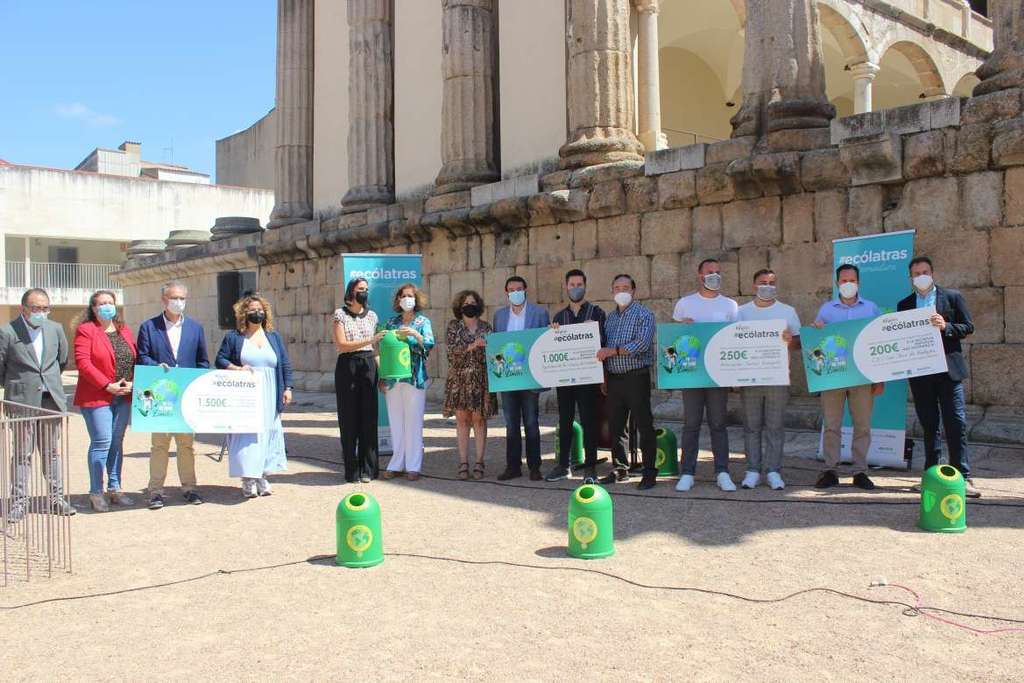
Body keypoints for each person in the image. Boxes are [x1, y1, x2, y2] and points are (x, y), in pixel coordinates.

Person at [897, 256, 979, 498]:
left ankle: (962, 476)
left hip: (948, 371)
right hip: (921, 374)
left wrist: (947, 326)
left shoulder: (952, 297)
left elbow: (968, 326)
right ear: (911, 278)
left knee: (956, 422)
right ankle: (932, 475)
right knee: (929, 425)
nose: (921, 276)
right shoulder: (905, 304)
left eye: (925, 271)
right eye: (916, 273)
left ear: (932, 273)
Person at [0, 288, 75, 520]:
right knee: (22, 453)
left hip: (50, 399)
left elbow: (61, 360)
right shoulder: (8, 331)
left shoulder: (55, 329)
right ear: (24, 308)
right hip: (23, 402)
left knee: (51, 453)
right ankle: (20, 501)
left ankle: (56, 498)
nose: (41, 313)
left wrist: (47, 382)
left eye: (45, 308)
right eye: (36, 308)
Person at [135, 281, 210, 510]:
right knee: (160, 445)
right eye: (173, 298)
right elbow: (142, 356)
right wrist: (157, 366)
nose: (178, 302)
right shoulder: (149, 327)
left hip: (186, 396)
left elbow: (203, 361)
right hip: (161, 395)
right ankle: (156, 491)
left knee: (186, 445)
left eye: (182, 298)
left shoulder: (195, 328)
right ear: (163, 300)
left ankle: (189, 488)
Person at [215, 294, 293, 498]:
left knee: (268, 432)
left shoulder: (273, 337)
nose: (257, 313)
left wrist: (288, 388)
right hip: (246, 394)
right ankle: (248, 477)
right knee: (248, 435)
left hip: (270, 391)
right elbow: (220, 359)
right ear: (244, 314)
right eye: (252, 310)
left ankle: (262, 475)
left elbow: (284, 364)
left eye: (260, 309)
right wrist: (236, 368)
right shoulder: (235, 337)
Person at [813, 264, 883, 490]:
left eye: (851, 280)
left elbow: (878, 345)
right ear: (837, 283)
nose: (848, 284)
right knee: (831, 425)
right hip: (833, 378)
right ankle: (830, 470)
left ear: (859, 283)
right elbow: (817, 344)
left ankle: (860, 471)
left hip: (862, 377)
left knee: (862, 425)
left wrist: (879, 378)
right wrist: (816, 330)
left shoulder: (871, 309)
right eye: (843, 281)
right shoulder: (826, 310)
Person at [672, 258, 739, 492]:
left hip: (717, 375)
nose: (714, 275)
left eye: (718, 272)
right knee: (691, 423)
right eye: (710, 272)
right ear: (700, 276)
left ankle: (722, 471)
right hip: (691, 374)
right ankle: (687, 472)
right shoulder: (684, 304)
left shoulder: (731, 306)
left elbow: (734, 339)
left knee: (719, 423)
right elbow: (674, 339)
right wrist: (683, 329)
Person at [737, 269, 801, 490]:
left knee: (775, 426)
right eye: (763, 282)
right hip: (750, 378)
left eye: (771, 283)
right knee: (751, 426)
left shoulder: (787, 311)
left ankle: (774, 471)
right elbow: (732, 343)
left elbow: (799, 343)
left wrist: (790, 340)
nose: (767, 286)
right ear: (754, 286)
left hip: (777, 378)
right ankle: (752, 470)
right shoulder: (741, 312)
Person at [73, 290, 137, 512]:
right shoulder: (86, 330)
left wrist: (133, 383)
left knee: (117, 442)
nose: (107, 306)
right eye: (102, 303)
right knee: (102, 442)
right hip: (97, 396)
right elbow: (83, 363)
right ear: (93, 308)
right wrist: (105, 384)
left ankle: (115, 487)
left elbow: (133, 359)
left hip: (124, 395)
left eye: (110, 302)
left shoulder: (124, 330)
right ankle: (96, 492)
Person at [596, 274, 658, 490]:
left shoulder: (644, 315)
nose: (621, 291)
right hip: (614, 380)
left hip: (636, 377)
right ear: (612, 291)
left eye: (625, 287)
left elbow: (641, 344)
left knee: (644, 425)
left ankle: (649, 472)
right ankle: (620, 468)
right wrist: (604, 376)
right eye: (617, 287)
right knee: (616, 426)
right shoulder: (610, 319)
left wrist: (612, 352)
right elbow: (601, 347)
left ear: (633, 291)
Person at [546, 269, 606, 481]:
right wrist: (552, 332)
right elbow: (553, 346)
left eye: (579, 284)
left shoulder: (597, 313)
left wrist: (595, 331)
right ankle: (563, 465)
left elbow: (603, 342)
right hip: (564, 379)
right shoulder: (560, 316)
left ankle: (590, 468)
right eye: (572, 284)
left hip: (587, 378)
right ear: (566, 287)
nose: (575, 288)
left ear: (585, 286)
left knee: (589, 421)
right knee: (565, 421)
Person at [493, 276, 550, 481]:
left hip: (530, 377)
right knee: (511, 424)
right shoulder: (499, 316)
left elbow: (544, 343)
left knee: (532, 422)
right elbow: (497, 346)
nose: (515, 292)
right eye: (511, 289)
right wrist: (498, 374)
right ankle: (513, 466)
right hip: (508, 379)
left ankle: (535, 466)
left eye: (519, 288)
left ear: (525, 290)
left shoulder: (540, 313)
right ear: (506, 292)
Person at [380, 283, 434, 481]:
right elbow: (384, 350)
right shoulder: (391, 323)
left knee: (413, 422)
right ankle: (396, 463)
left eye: (410, 295)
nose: (406, 299)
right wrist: (382, 376)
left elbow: (428, 345)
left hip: (414, 378)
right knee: (396, 422)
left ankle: (413, 465)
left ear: (416, 298)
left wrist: (415, 336)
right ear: (398, 300)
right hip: (393, 379)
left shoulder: (422, 322)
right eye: (403, 295)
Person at [334, 277, 385, 483]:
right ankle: (351, 469)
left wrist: (382, 374)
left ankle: (369, 469)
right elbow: (341, 344)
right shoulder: (340, 314)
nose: (363, 292)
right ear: (351, 291)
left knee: (369, 417)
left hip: (368, 363)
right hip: (348, 364)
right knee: (349, 418)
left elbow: (376, 350)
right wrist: (369, 340)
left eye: (366, 289)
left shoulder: (372, 315)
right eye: (360, 289)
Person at [444, 290, 497, 479]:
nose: (469, 305)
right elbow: (451, 353)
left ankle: (479, 462)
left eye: (473, 302)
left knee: (479, 420)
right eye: (466, 302)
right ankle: (463, 461)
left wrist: (489, 346)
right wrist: (472, 346)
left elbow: (496, 354)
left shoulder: (486, 327)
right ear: (460, 306)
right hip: (459, 381)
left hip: (481, 381)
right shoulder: (453, 327)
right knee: (462, 421)